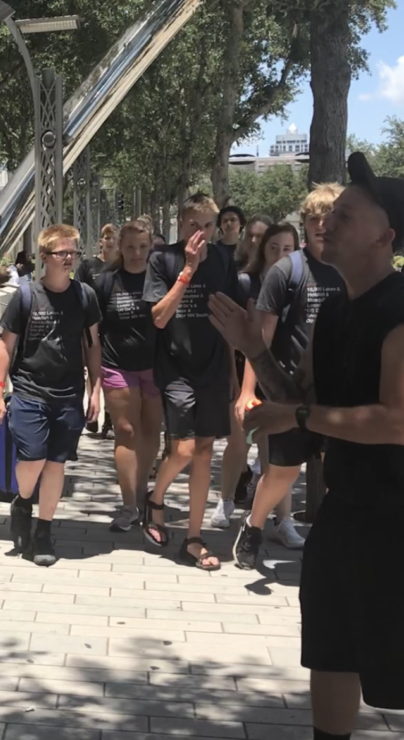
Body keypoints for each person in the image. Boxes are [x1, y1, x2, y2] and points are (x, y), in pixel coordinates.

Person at [209, 151, 404, 737]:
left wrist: (295, 411)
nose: (327, 222)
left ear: (384, 237)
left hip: (397, 519)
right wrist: (255, 350)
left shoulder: (399, 311)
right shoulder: (335, 313)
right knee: (331, 647)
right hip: (346, 510)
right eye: (328, 213)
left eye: (346, 215)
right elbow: (296, 397)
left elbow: (396, 422)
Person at [231, 183, 346, 567]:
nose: (320, 226)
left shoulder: (352, 268)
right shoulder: (287, 271)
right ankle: (253, 526)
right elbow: (258, 338)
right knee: (282, 473)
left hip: (339, 393)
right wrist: (248, 391)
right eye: (313, 219)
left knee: (341, 471)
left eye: (329, 219)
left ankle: (337, 543)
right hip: (288, 392)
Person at [0, 224, 102, 567]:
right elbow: (5, 347)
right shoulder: (24, 296)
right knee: (33, 457)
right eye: (61, 253)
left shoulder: (85, 296)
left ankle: (44, 531)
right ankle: (23, 502)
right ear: (44, 257)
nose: (69, 258)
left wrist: (95, 390)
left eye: (73, 252)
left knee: (56, 463)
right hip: (29, 390)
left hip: (68, 393)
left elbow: (93, 345)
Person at [142, 193, 237, 570]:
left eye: (208, 226)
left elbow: (228, 320)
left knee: (203, 453)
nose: (201, 233)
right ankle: (155, 498)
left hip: (213, 370)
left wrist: (234, 375)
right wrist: (187, 272)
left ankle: (194, 538)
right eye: (194, 225)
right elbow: (159, 318)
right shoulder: (161, 259)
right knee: (181, 450)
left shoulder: (225, 260)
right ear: (181, 224)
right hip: (176, 368)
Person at [212, 223, 298, 529]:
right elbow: (227, 330)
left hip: (282, 376)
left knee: (275, 451)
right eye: (274, 247)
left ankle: (281, 519)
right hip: (243, 369)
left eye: (287, 248)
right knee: (239, 442)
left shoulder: (299, 281)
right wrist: (232, 376)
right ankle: (225, 503)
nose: (280, 254)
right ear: (263, 249)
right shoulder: (245, 282)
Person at [93, 221, 161, 533]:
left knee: (150, 430)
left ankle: (143, 492)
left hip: (157, 367)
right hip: (117, 365)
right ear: (121, 247)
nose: (136, 253)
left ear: (151, 247)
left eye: (143, 247)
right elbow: (94, 331)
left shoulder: (160, 280)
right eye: (131, 246)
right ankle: (128, 505)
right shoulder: (106, 281)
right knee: (126, 431)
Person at [76, 224, 119, 436]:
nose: (110, 241)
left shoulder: (121, 267)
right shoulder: (88, 266)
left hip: (113, 327)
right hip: (90, 326)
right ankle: (92, 413)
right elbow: (78, 291)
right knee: (92, 371)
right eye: (106, 237)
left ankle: (109, 418)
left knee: (111, 373)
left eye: (113, 237)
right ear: (100, 241)